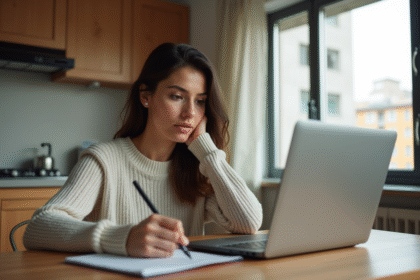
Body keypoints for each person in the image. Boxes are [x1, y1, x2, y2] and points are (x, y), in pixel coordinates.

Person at [23, 43, 263, 258]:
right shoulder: (103, 160)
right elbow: (39, 227)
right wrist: (122, 238)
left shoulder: (196, 169)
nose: (190, 112)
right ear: (146, 96)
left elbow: (248, 223)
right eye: (177, 96)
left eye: (200, 101)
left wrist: (207, 151)